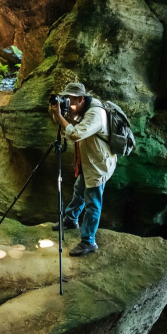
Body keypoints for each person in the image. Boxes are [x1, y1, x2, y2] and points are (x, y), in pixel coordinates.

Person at [48, 82, 117, 256]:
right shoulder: (82, 109)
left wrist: (61, 116)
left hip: (98, 165)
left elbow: (75, 134)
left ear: (81, 99)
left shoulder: (95, 113)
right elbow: (71, 126)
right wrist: (60, 114)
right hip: (89, 161)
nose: (67, 103)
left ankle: (88, 241)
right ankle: (71, 220)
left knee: (92, 203)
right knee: (79, 190)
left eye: (69, 100)